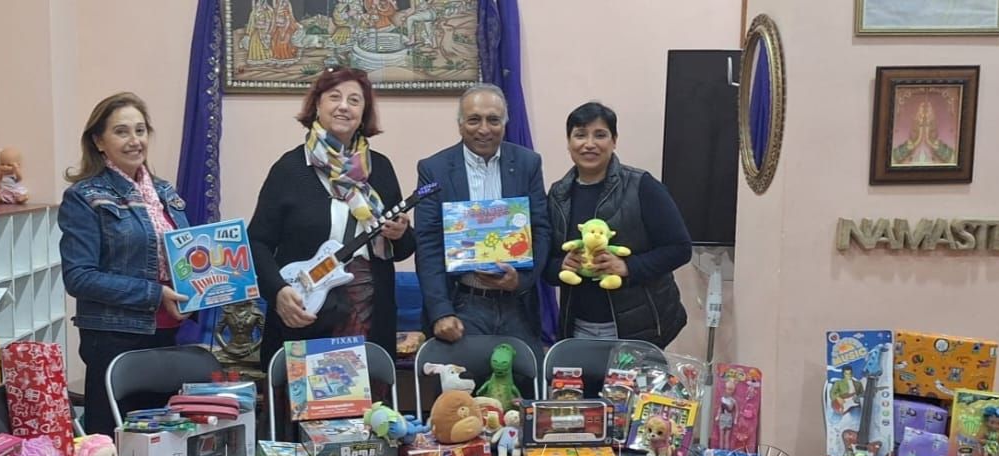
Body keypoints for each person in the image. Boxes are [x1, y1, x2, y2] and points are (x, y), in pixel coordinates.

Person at [249, 67, 415, 371]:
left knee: (367, 399)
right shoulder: (290, 169)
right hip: (306, 308)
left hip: (369, 310)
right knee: (309, 397)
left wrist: (400, 233)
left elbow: (403, 249)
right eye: (334, 97)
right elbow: (257, 242)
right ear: (317, 105)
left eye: (354, 100)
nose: (344, 106)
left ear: (363, 113)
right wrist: (278, 292)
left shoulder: (380, 168)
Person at [58, 92, 190, 437]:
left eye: (140, 130)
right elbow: (79, 277)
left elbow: (185, 258)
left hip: (166, 334)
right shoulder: (84, 196)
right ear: (99, 141)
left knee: (163, 441)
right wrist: (155, 293)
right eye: (121, 131)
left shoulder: (164, 192)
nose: (135, 140)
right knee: (115, 442)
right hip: (115, 337)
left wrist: (200, 290)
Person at [415, 84, 550, 355]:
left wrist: (520, 280)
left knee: (522, 380)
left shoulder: (528, 163)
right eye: (474, 120)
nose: (484, 129)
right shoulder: (434, 169)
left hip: (518, 306)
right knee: (462, 381)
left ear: (505, 123)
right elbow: (428, 244)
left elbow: (542, 230)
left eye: (493, 120)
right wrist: (441, 311)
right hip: (462, 304)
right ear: (460, 124)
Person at [543, 102, 692, 345]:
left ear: (614, 141)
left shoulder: (642, 185)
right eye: (580, 135)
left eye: (600, 135)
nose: (589, 144)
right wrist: (562, 265)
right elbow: (546, 263)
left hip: (641, 329)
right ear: (569, 143)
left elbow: (680, 248)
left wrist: (627, 267)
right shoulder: (558, 195)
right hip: (578, 327)